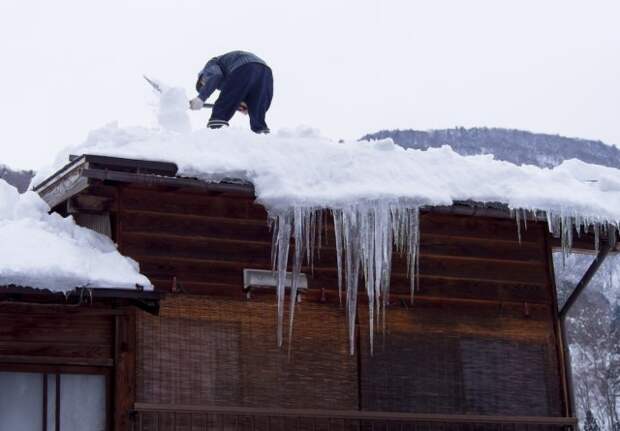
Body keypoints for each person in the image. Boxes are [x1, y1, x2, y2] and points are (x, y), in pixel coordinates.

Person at [189, 50, 273, 134]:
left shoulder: (210, 66)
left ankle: (217, 126)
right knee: (257, 109)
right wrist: (246, 103)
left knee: (223, 105)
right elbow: (240, 88)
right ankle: (261, 133)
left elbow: (216, 75)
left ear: (201, 80)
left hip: (243, 66)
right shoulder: (228, 77)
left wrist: (201, 98)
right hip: (265, 71)